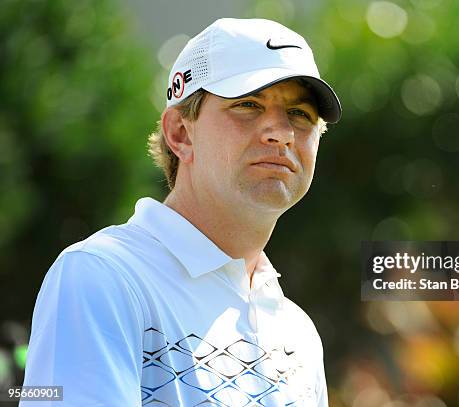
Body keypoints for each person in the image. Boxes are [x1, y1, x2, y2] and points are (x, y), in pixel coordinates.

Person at [21, 17, 341, 406]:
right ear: (180, 134)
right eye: (248, 105)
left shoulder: (298, 332)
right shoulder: (103, 277)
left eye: (300, 114)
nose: (282, 132)